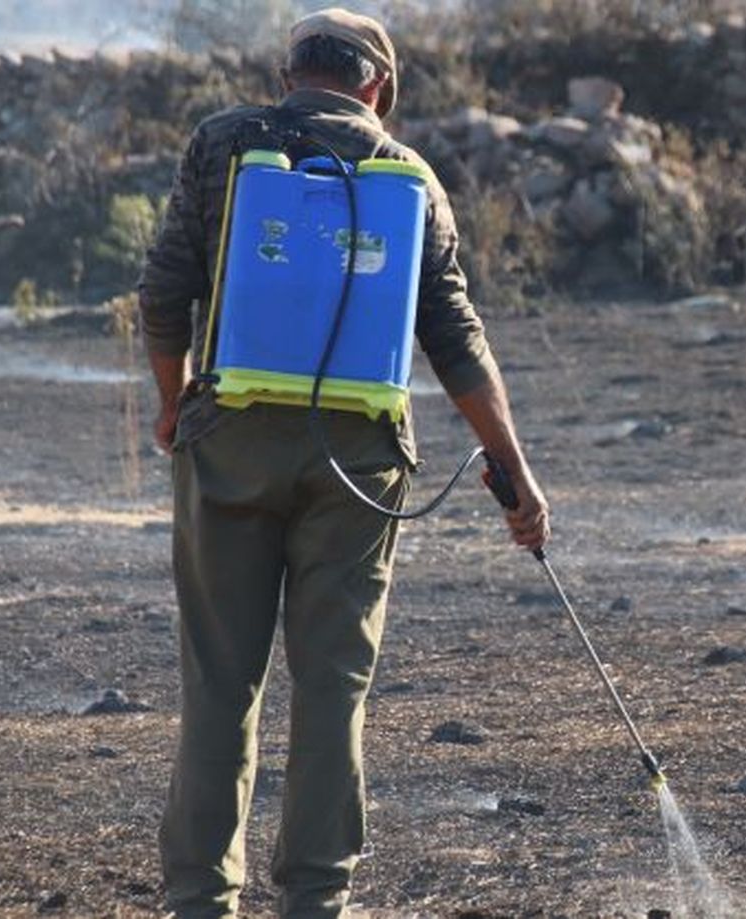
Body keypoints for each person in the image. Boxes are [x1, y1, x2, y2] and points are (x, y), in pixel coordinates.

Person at [137, 8, 549, 918]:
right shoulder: (410, 175)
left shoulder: (222, 143)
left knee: (221, 679)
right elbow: (455, 340)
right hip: (360, 460)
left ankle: (202, 900)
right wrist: (512, 469)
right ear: (378, 89)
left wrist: (175, 406)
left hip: (230, 437)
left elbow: (163, 293)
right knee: (332, 687)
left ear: (291, 75)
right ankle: (316, 899)